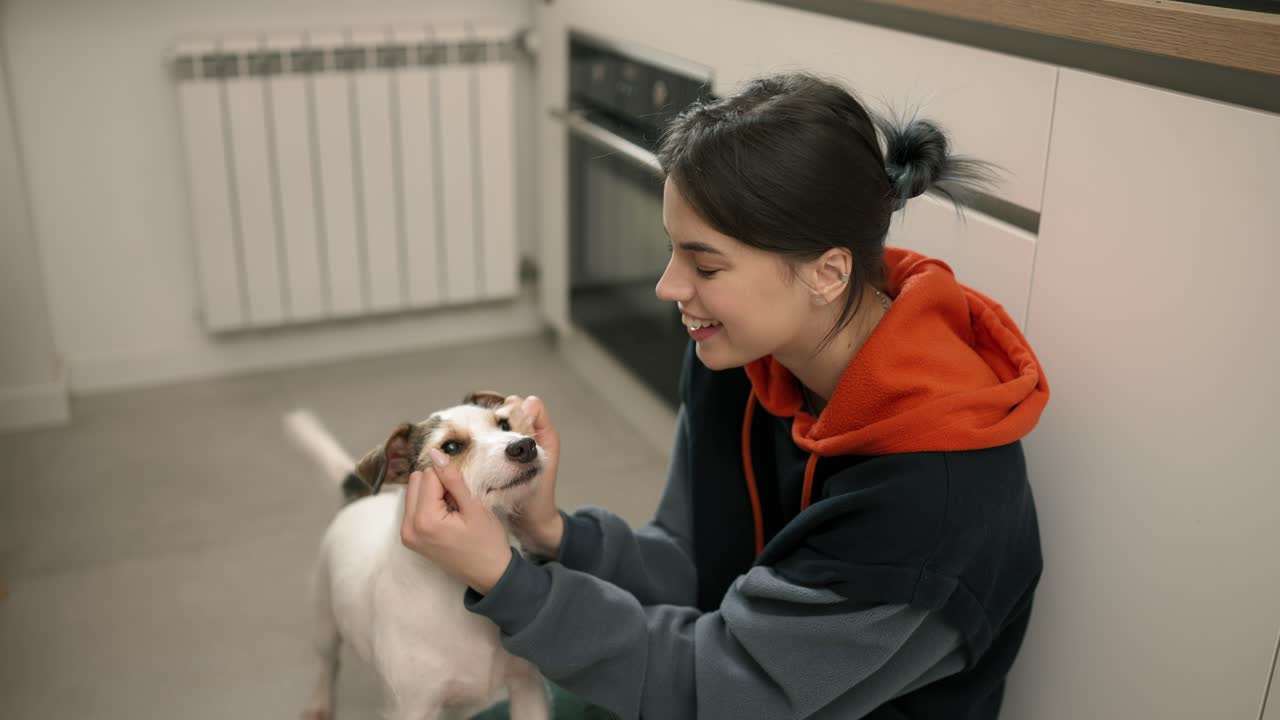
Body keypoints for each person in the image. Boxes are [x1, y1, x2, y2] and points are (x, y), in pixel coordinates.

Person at [399, 71, 1050, 719]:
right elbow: (692, 563)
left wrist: (508, 582)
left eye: (705, 265)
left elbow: (708, 688)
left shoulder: (931, 507)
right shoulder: (738, 354)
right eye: (673, 251)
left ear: (828, 272)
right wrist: (552, 533)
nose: (668, 286)